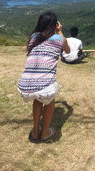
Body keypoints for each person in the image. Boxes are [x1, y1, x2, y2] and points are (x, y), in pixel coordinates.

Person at [18, 12, 70, 143]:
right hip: (44, 86)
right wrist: (60, 32)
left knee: (38, 98)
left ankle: (35, 131)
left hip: (25, 86)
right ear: (55, 25)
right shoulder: (59, 39)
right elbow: (68, 50)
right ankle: (45, 132)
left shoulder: (33, 37)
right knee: (49, 100)